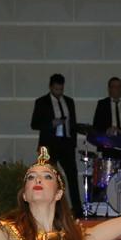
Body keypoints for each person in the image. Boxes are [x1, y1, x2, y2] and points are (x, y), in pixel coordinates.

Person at [30, 73, 83, 218]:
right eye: (56, 89)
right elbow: (34, 124)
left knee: (72, 177)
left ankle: (77, 210)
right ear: (50, 87)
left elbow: (72, 124)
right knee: (48, 177)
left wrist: (73, 143)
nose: (59, 92)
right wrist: (51, 124)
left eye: (61, 89)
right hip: (49, 144)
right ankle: (49, 209)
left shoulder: (69, 102)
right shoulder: (42, 102)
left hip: (66, 143)